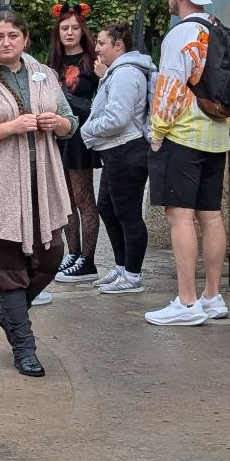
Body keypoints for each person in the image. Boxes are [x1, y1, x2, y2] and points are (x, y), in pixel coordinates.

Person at [0, 8, 75, 378]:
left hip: (43, 183)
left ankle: (8, 314)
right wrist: (9, 128)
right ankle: (25, 349)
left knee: (52, 255)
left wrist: (58, 123)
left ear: (25, 39)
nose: (6, 42)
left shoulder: (45, 76)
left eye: (13, 35)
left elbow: (70, 122)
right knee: (8, 270)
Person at [145, 0, 230, 328]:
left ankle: (186, 301)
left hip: (182, 136)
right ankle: (213, 296)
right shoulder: (217, 28)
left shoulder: (180, 35)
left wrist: (157, 132)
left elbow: (170, 88)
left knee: (180, 215)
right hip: (217, 135)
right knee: (210, 215)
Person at [81, 20, 154, 294]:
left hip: (127, 150)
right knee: (108, 209)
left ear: (118, 45)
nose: (97, 49)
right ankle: (122, 267)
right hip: (115, 151)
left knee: (128, 214)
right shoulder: (117, 73)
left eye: (101, 43)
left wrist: (87, 130)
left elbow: (117, 117)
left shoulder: (125, 74)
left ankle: (133, 276)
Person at [49, 4, 101, 282]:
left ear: (83, 31)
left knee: (84, 199)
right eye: (64, 28)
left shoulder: (93, 61)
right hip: (57, 136)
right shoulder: (53, 62)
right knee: (65, 200)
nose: (69, 32)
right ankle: (73, 253)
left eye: (74, 27)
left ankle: (88, 260)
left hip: (80, 137)